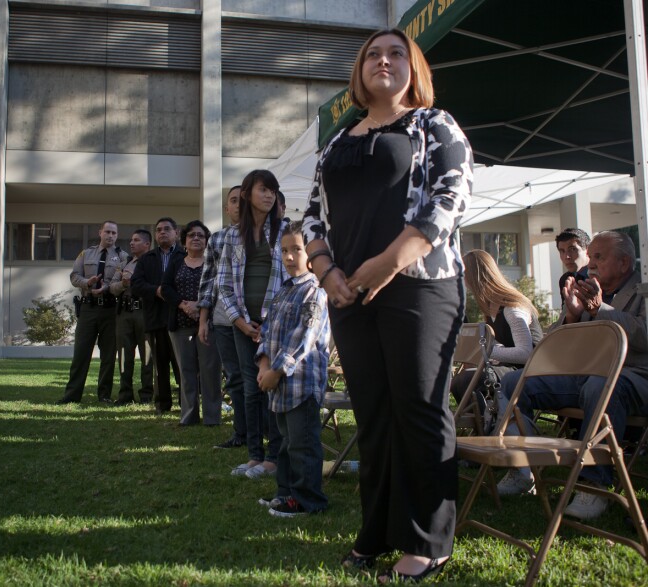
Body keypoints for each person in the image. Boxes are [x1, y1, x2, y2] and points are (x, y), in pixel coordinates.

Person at [302, 28, 473, 581]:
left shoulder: (434, 125)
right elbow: (310, 217)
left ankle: (429, 541)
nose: (383, 60)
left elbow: (452, 196)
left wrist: (390, 260)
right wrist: (327, 272)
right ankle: (375, 531)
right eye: (372, 54)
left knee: (419, 410)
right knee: (373, 415)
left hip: (420, 285)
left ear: (413, 67)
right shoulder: (336, 141)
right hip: (347, 294)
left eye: (396, 52)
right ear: (360, 71)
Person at [495, 231, 648, 519]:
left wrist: (600, 309)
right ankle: (522, 468)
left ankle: (594, 484)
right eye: (590, 258)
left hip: (632, 377)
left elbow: (644, 336)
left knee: (599, 387)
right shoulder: (588, 288)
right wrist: (573, 316)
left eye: (599, 257)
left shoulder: (643, 288)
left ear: (625, 263)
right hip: (584, 374)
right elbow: (552, 347)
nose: (590, 264)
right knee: (515, 383)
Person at [255, 221, 330, 517]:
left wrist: (277, 370)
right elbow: (268, 331)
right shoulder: (283, 291)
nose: (288, 257)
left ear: (311, 252)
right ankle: (286, 493)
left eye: (296, 250)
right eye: (284, 250)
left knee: (303, 445)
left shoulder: (315, 291)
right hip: (279, 387)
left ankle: (308, 500)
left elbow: (303, 337)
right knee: (285, 444)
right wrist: (263, 364)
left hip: (300, 385)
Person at [217, 169, 287, 480]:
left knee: (271, 385)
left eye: (273, 190)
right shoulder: (232, 235)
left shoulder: (285, 230)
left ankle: (273, 458)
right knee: (249, 388)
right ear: (247, 193)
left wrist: (270, 323)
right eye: (263, 189)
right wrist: (241, 322)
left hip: (276, 322)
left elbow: (293, 277)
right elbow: (223, 284)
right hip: (242, 323)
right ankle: (253, 456)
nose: (269, 195)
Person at [450, 250, 543, 406]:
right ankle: (485, 423)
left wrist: (483, 351)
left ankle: (490, 425)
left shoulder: (512, 308)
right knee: (461, 381)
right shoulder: (492, 307)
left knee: (466, 380)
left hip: (531, 370)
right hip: (512, 369)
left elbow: (526, 353)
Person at [57, 221, 128, 405]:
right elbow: (74, 276)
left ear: (117, 235)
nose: (110, 236)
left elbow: (119, 280)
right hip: (88, 308)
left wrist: (106, 288)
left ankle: (104, 395)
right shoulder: (86, 253)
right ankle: (71, 395)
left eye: (114, 233)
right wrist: (88, 283)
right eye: (107, 232)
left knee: (108, 356)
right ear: (100, 233)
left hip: (110, 310)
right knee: (80, 353)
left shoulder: (122, 256)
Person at [198, 186, 247, 448]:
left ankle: (262, 433)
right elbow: (208, 282)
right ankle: (241, 433)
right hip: (222, 319)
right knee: (234, 377)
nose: (239, 205)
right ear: (226, 208)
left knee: (253, 377)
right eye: (234, 201)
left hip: (251, 318)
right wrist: (203, 319)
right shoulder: (216, 239)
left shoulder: (261, 235)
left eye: (243, 200)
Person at [163, 220, 223, 425]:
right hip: (180, 325)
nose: (196, 238)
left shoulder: (214, 262)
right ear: (184, 241)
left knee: (210, 371)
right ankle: (188, 416)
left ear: (206, 241)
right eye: (191, 235)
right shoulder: (176, 261)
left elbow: (221, 289)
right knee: (186, 372)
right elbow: (166, 288)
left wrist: (201, 306)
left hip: (208, 325)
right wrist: (184, 305)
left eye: (200, 235)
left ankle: (212, 417)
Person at [131, 218, 185, 414]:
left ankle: (186, 403)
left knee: (182, 364)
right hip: (155, 318)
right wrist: (156, 291)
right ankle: (163, 405)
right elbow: (136, 284)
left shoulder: (185, 255)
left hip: (180, 318)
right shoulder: (147, 258)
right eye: (159, 230)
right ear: (155, 235)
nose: (163, 232)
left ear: (176, 233)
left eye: (167, 229)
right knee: (159, 366)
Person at [109, 229, 154, 405]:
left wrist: (134, 281)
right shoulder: (125, 262)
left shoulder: (153, 262)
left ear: (147, 244)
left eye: (136, 240)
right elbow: (112, 287)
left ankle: (146, 395)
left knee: (147, 355)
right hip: (125, 313)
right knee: (123, 355)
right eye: (131, 240)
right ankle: (125, 394)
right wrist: (123, 284)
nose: (131, 243)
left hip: (144, 312)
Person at [556, 227, 591, 300]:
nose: (567, 256)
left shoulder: (601, 274)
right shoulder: (564, 280)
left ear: (588, 250)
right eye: (562, 251)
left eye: (572, 249)